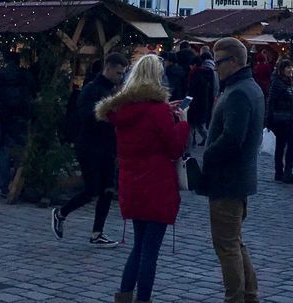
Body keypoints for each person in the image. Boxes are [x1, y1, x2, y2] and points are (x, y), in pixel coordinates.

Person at [97, 54, 190, 303]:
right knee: (149, 252)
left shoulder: (124, 110)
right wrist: (182, 123)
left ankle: (124, 296)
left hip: (132, 187)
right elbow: (174, 149)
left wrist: (164, 112)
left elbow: (143, 121)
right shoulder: (157, 110)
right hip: (157, 188)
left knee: (138, 247)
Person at [202, 37, 264, 303]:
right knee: (235, 242)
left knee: (227, 246)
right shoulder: (250, 87)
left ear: (234, 62)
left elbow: (231, 139)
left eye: (219, 62)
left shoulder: (238, 92)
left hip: (228, 179)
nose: (215, 68)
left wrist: (207, 155)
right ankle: (249, 295)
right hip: (238, 178)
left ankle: (236, 298)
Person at [52, 52, 127, 246]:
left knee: (108, 190)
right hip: (89, 146)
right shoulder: (91, 89)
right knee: (91, 189)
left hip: (108, 146)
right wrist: (108, 113)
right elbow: (85, 115)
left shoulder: (114, 91)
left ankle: (97, 233)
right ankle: (62, 212)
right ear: (108, 68)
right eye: (118, 73)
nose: (120, 77)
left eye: (122, 74)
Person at [0, 51, 37, 198]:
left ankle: (3, 186)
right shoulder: (25, 75)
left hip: (2, 115)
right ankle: (20, 181)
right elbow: (34, 92)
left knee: (3, 150)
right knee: (21, 148)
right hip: (21, 115)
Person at [266, 58, 293, 184]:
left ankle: (280, 172)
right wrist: (269, 119)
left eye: (291, 67)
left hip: (289, 117)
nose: (290, 69)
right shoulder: (277, 83)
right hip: (281, 118)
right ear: (281, 69)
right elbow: (271, 101)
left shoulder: (288, 82)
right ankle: (286, 172)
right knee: (290, 143)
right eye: (287, 67)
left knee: (283, 145)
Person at [187, 50, 218, 146]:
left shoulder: (195, 75)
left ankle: (192, 146)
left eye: (191, 65)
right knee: (199, 126)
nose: (190, 67)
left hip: (195, 105)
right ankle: (208, 141)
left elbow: (191, 92)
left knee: (194, 127)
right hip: (203, 103)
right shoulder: (207, 73)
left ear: (194, 65)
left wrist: (186, 103)